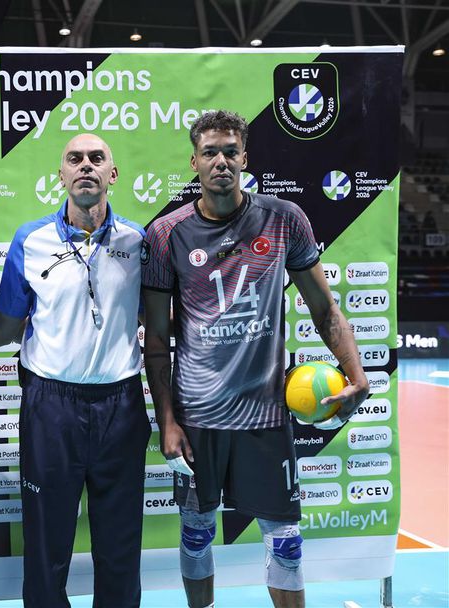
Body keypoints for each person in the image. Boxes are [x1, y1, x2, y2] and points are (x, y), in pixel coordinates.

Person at [140, 110, 370, 608]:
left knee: (286, 543)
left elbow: (324, 308)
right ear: (194, 162)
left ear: (245, 158)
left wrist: (357, 376)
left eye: (230, 152)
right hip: (197, 418)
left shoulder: (284, 218)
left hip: (265, 414)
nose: (220, 161)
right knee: (196, 534)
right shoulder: (166, 234)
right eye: (210, 152)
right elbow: (155, 339)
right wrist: (167, 421)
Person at [0, 133, 150, 608]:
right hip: (50, 406)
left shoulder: (138, 241)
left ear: (113, 174)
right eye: (75, 159)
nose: (85, 165)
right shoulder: (30, 240)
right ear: (62, 174)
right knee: (46, 541)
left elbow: (159, 319)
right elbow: (6, 325)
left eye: (97, 158)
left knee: (120, 541)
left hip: (121, 404)